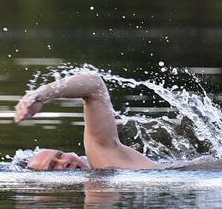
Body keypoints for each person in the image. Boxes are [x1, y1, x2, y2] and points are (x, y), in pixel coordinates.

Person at [13, 69, 158, 171]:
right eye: (52, 167)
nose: (64, 162)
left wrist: (40, 94)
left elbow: (95, 85)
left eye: (60, 155)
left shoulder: (104, 160)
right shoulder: (99, 184)